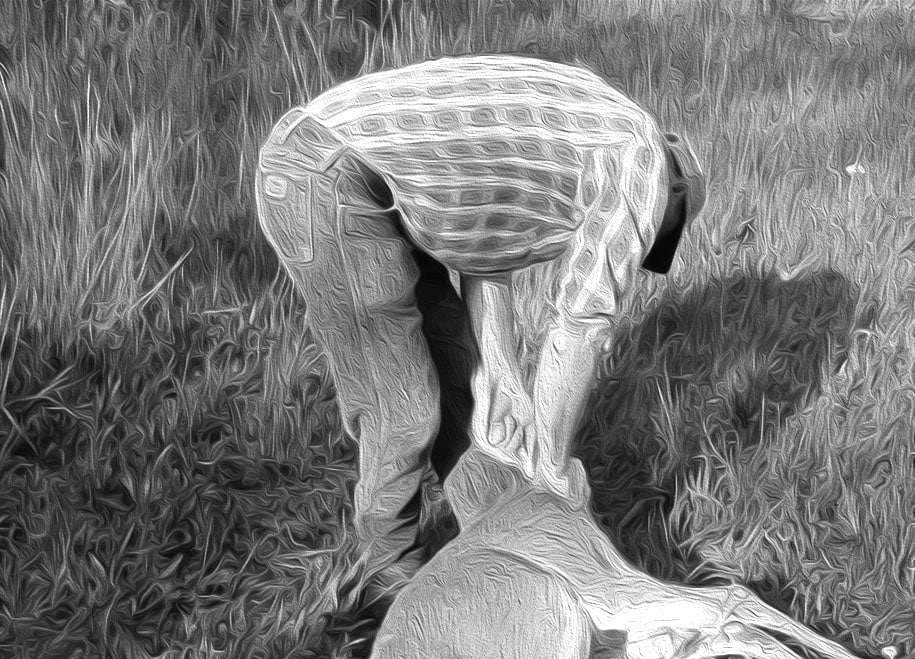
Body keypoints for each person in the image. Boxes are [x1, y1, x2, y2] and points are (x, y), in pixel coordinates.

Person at [255, 54, 705, 592]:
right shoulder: (640, 162)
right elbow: (579, 326)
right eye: (663, 231)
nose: (649, 242)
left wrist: (502, 370)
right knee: (403, 406)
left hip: (365, 178)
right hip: (325, 176)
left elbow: (486, 227)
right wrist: (552, 469)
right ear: (673, 193)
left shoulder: (597, 118)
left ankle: (516, 554)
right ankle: (386, 586)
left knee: (466, 385)